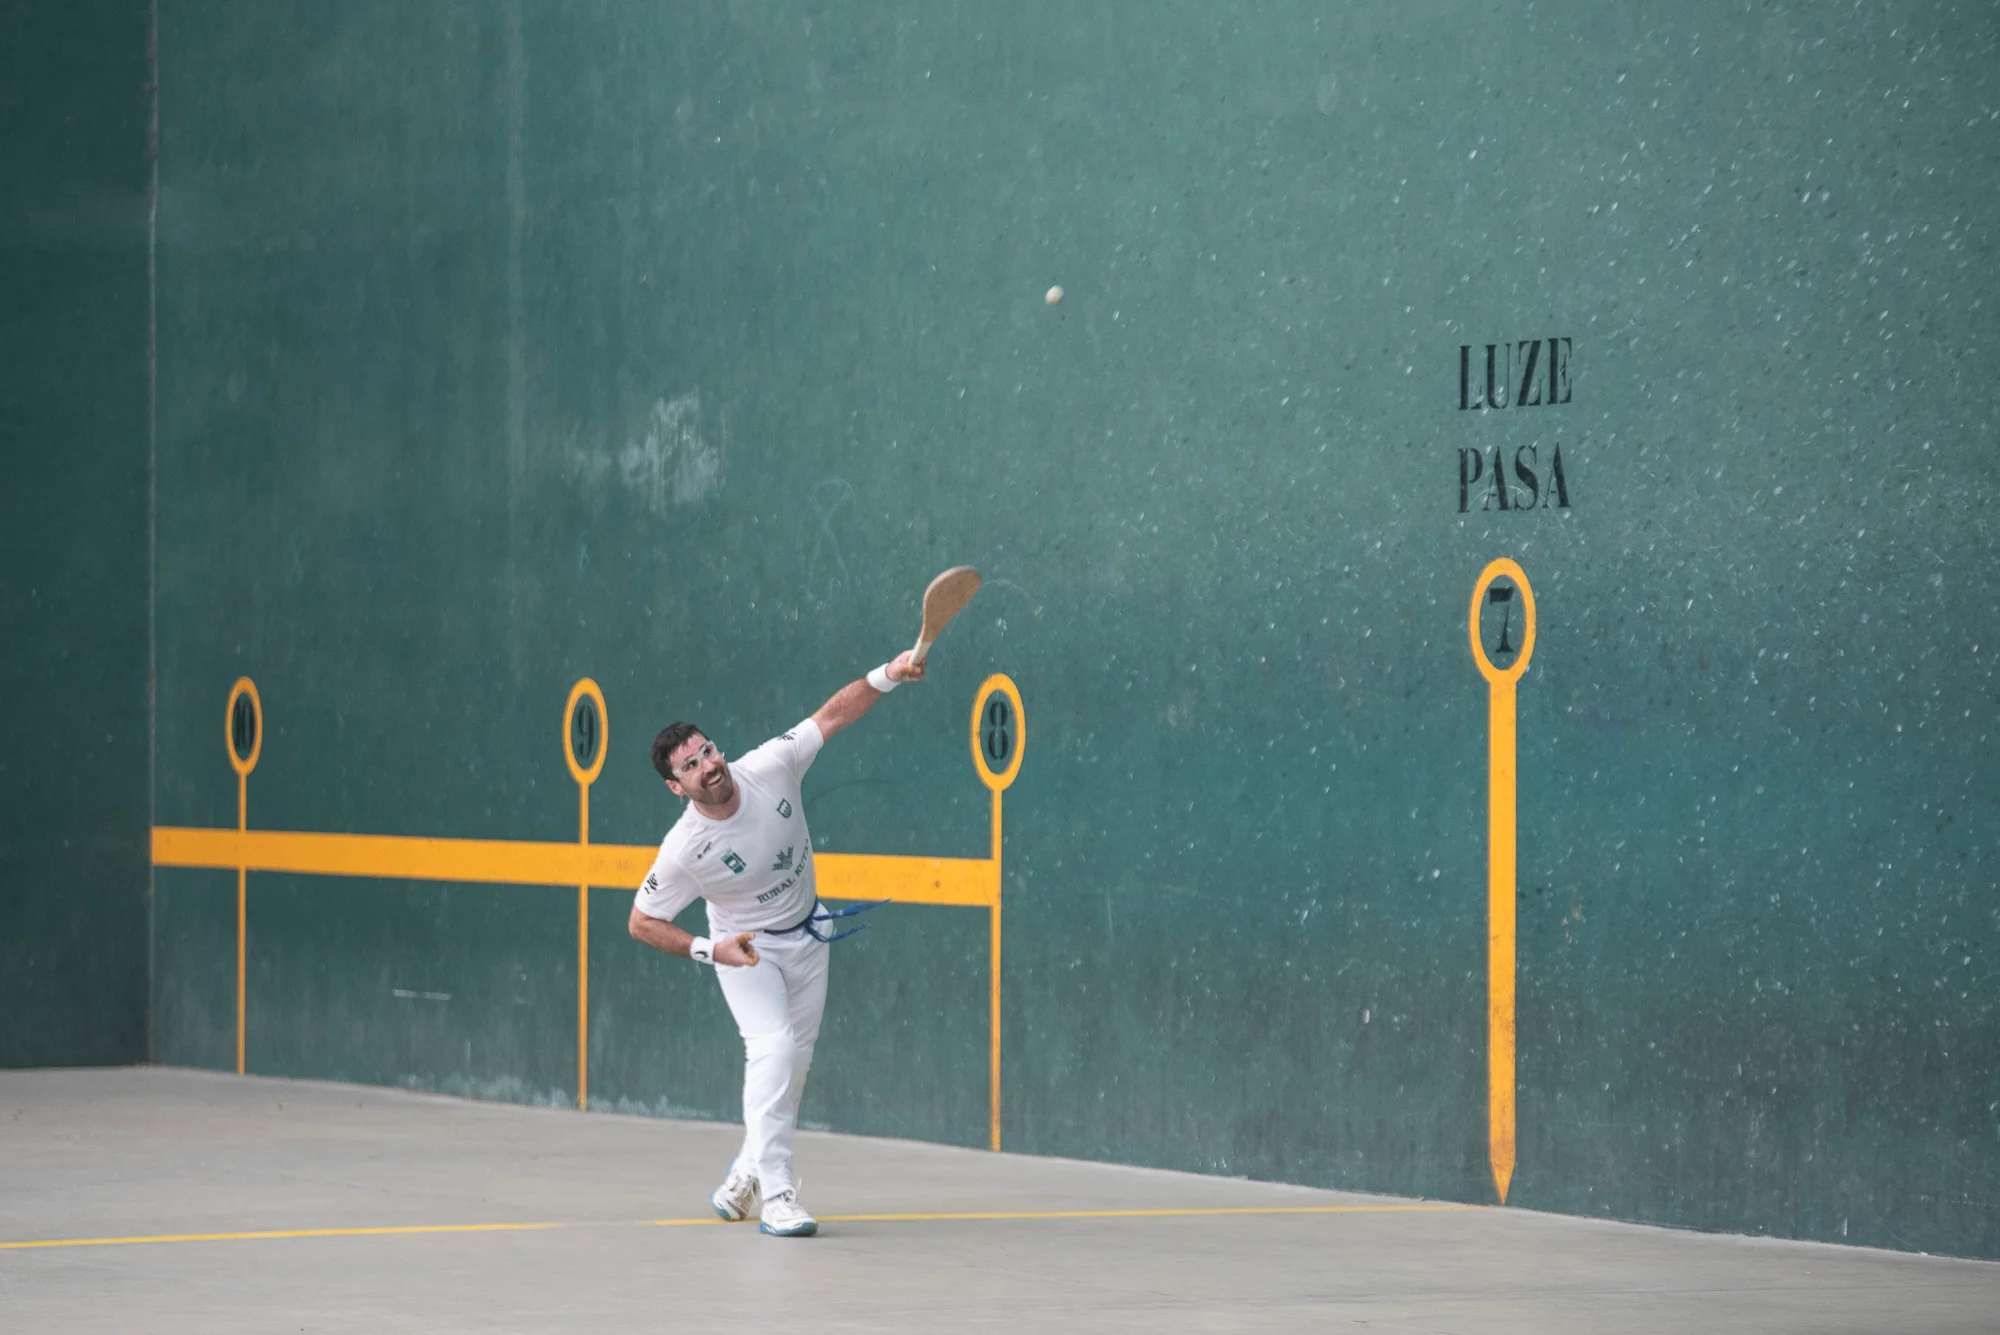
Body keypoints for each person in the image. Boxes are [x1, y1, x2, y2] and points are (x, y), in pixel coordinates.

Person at [628, 650, 924, 1237]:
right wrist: (710, 950)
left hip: (811, 934)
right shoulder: (685, 848)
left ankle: (745, 1173)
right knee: (773, 1049)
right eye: (691, 765)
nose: (709, 765)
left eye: (708, 751)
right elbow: (642, 921)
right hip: (746, 950)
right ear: (676, 786)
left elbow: (832, 716)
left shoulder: (770, 765)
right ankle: (779, 1195)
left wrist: (888, 675)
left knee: (796, 1065)